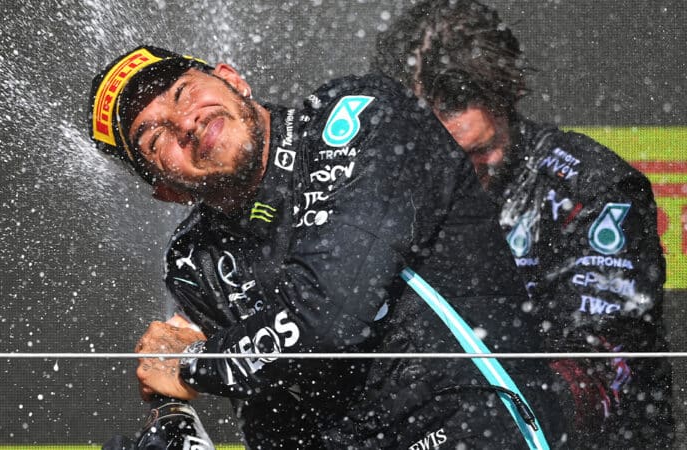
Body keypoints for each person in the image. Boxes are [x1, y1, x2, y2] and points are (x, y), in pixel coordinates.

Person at [89, 45, 570, 449]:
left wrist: (194, 364)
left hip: (478, 430)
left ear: (232, 79)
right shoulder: (197, 259)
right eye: (154, 139)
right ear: (167, 191)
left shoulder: (358, 115)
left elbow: (330, 315)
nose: (184, 123)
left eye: (183, 91)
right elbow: (274, 423)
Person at [373, 1, 674, 448]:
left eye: (477, 155)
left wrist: (484, 423)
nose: (458, 176)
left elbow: (604, 362)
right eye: (439, 159)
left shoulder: (590, 189)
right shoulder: (387, 190)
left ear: (508, 95)